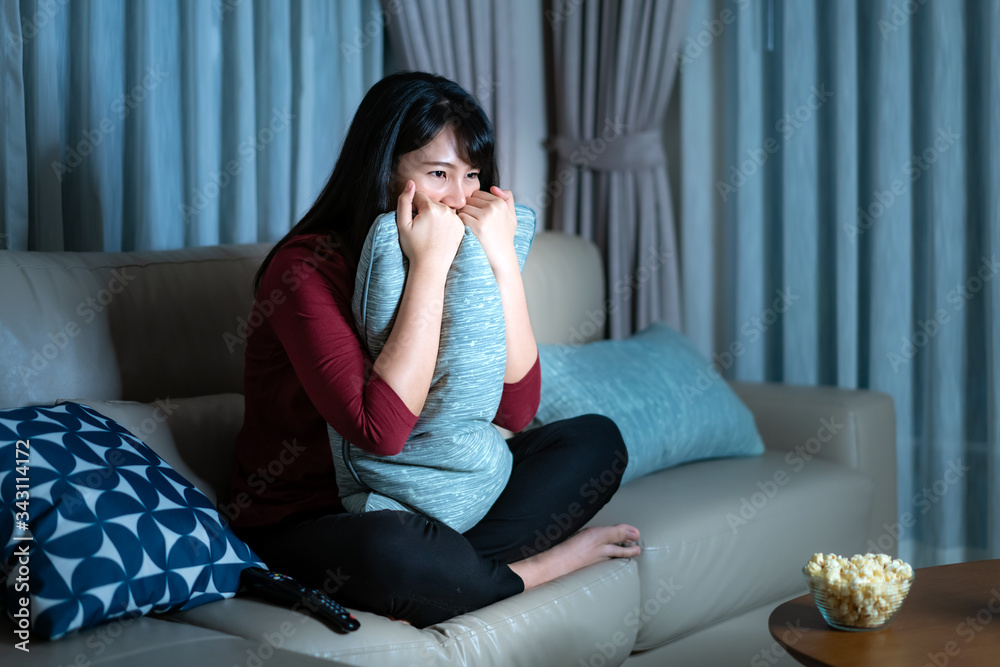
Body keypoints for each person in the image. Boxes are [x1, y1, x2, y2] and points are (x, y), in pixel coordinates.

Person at [227, 71, 640, 628]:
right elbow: (382, 432)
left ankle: (454, 572)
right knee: (393, 550)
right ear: (383, 169)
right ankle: (528, 571)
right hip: (318, 518)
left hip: (438, 492)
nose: (460, 197)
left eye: (472, 175)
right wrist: (426, 267)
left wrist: (501, 265)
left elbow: (514, 412)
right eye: (438, 173)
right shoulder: (303, 270)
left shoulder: (463, 249)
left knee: (595, 441)